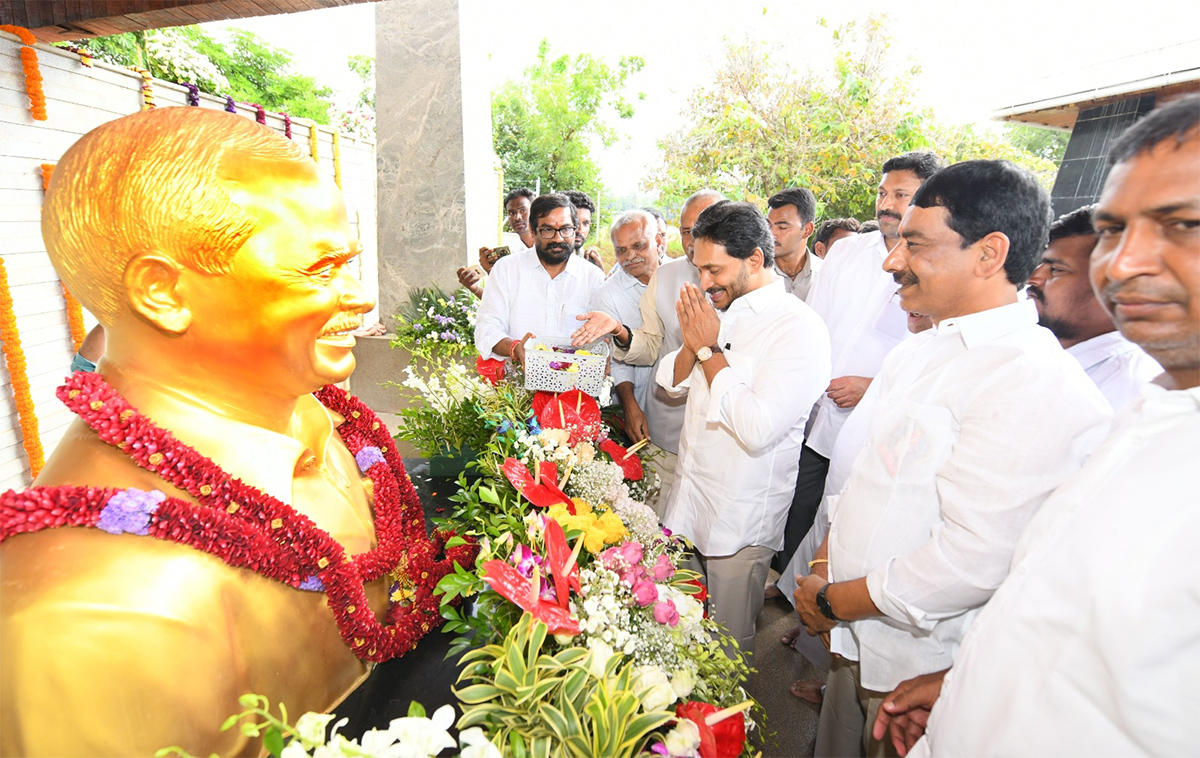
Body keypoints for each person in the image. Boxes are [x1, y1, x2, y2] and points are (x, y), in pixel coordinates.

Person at [0, 107, 452, 755]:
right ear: (163, 293)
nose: (359, 299)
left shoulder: (331, 426)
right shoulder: (90, 615)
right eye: (318, 269)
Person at [872, 92, 1200, 758]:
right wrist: (969, 681)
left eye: (1183, 224)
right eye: (1113, 231)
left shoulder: (1054, 386)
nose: (1125, 262)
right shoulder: (1149, 415)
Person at [793, 159, 1113, 758]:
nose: (892, 261)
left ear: (989, 254)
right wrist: (825, 570)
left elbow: (972, 560)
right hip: (853, 638)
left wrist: (835, 599)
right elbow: (869, 479)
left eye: (914, 244)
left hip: (919, 678)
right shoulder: (920, 352)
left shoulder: (1031, 380)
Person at [657, 201, 831, 655]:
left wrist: (708, 350)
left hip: (739, 519)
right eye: (699, 269)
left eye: (714, 269)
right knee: (675, 633)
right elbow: (670, 384)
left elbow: (756, 426)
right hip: (688, 502)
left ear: (755, 258)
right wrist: (696, 346)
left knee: (727, 651)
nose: (704, 282)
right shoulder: (719, 305)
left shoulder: (799, 329)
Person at [779, 151, 942, 577]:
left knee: (851, 515)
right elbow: (813, 324)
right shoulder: (848, 253)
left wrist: (871, 387)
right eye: (882, 192)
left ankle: (821, 598)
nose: (886, 204)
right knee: (801, 500)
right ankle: (788, 585)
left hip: (877, 421)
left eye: (901, 194)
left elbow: (932, 353)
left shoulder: (937, 267)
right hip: (821, 408)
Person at [570, 189, 725, 515]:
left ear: (658, 240)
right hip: (665, 422)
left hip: (726, 428)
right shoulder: (665, 279)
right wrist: (619, 330)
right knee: (661, 519)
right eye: (688, 231)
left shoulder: (750, 277)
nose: (695, 239)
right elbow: (648, 345)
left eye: (637, 246)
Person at [1027, 204, 1161, 409]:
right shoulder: (1032, 354)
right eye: (1039, 265)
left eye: (1055, 269)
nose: (1033, 278)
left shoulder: (1132, 391)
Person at [474, 192, 603, 365]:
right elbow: (487, 328)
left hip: (574, 387)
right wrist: (515, 349)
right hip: (514, 384)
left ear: (575, 229)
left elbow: (602, 337)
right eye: (548, 230)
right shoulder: (506, 269)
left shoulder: (592, 277)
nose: (558, 238)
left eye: (565, 229)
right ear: (534, 232)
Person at [591, 210, 664, 443]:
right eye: (621, 250)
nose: (630, 256)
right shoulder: (608, 294)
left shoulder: (682, 276)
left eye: (639, 245)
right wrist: (630, 407)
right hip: (639, 403)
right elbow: (616, 360)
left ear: (659, 241)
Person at [459, 187, 537, 296]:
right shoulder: (511, 255)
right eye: (511, 213)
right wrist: (488, 273)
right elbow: (503, 298)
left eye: (523, 210)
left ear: (535, 212)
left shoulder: (552, 248)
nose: (517, 217)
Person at [766, 187, 823, 300]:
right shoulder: (755, 274)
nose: (771, 234)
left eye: (782, 227)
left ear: (807, 230)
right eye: (768, 226)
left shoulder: (824, 274)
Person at [563, 189, 605, 270]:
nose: (580, 229)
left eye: (586, 223)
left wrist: (600, 273)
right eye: (575, 222)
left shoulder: (590, 262)